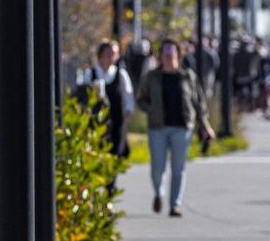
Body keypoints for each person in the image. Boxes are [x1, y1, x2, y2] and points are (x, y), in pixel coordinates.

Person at [136, 39, 215, 218]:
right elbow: (140, 99)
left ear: (178, 55)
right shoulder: (152, 77)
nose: (169, 57)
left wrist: (205, 125)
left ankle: (175, 204)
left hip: (182, 127)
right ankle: (159, 193)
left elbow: (199, 102)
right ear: (160, 56)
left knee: (178, 168)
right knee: (158, 168)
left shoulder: (188, 76)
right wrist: (152, 109)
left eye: (172, 54)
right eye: (166, 54)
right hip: (158, 127)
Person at [87, 39, 134, 160]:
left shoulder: (121, 74)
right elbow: (83, 94)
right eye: (108, 53)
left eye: (114, 53)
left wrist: (129, 111)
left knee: (115, 150)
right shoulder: (90, 73)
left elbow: (128, 94)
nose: (111, 56)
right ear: (100, 55)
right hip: (96, 120)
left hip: (116, 119)